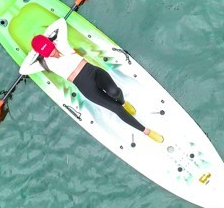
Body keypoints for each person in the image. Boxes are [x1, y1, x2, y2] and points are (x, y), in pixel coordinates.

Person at [21, 19, 163, 142]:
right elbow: (23, 69)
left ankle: (124, 102)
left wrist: (46, 37)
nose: (52, 52)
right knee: (115, 108)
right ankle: (146, 131)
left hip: (93, 71)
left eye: (51, 48)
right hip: (85, 87)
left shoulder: (61, 42)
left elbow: (61, 22)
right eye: (47, 52)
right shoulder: (44, 63)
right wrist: (36, 51)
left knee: (115, 91)